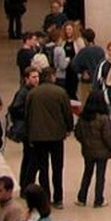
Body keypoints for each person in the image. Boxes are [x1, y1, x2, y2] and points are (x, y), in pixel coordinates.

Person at [22, 66, 74, 207]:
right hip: (57, 136)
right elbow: (67, 113)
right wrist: (69, 128)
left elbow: (27, 116)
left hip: (38, 137)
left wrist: (29, 134)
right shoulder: (60, 92)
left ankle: (46, 197)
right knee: (57, 168)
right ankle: (58, 198)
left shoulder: (32, 94)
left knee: (43, 168)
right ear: (52, 77)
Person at [72, 90, 111, 208]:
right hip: (102, 151)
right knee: (100, 175)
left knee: (87, 173)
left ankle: (82, 198)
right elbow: (108, 136)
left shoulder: (83, 117)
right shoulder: (104, 119)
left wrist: (84, 142)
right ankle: (98, 200)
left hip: (87, 150)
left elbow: (77, 133)